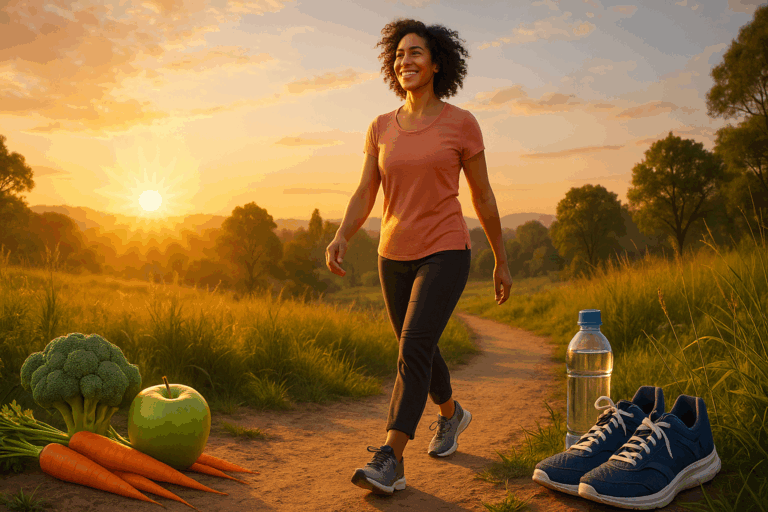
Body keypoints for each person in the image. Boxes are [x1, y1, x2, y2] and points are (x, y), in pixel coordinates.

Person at [325, 18, 512, 496]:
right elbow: (366, 190)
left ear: (436, 63)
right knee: (418, 347)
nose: (404, 61)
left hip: (447, 248)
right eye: (399, 54)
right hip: (393, 254)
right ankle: (453, 416)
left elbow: (484, 197)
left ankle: (391, 459)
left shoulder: (461, 123)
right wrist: (343, 234)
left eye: (415, 54)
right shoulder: (380, 126)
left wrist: (500, 258)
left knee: (412, 347)